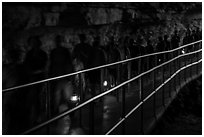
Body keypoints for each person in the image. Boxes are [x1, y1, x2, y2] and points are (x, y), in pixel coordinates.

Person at [24, 36, 48, 127]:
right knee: (32, 97)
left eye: (35, 42)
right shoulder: (29, 54)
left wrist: (35, 71)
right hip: (31, 78)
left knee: (38, 97)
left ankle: (38, 117)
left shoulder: (42, 54)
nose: (33, 44)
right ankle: (32, 117)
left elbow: (44, 66)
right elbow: (26, 64)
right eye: (32, 43)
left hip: (39, 78)